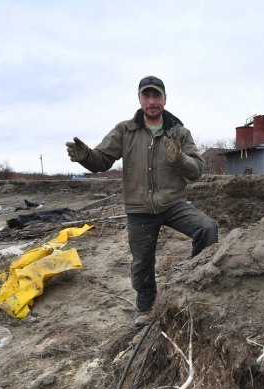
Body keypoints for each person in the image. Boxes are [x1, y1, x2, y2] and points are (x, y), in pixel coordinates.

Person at [66, 75, 218, 327]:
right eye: (146, 95)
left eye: (156, 95)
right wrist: (86, 157)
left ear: (165, 99)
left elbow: (197, 171)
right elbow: (101, 160)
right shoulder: (125, 131)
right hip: (139, 209)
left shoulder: (179, 132)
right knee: (142, 262)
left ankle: (197, 285)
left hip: (173, 204)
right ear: (139, 99)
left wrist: (180, 158)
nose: (152, 101)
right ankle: (146, 308)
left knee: (207, 227)